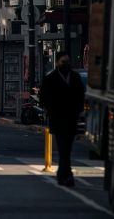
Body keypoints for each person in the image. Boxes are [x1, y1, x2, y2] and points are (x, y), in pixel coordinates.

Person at [40, 51, 86, 187]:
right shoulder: (51, 78)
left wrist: (78, 110)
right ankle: (67, 174)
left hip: (71, 118)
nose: (66, 65)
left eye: (67, 62)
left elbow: (80, 96)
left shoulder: (75, 77)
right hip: (58, 119)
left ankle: (63, 173)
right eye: (63, 62)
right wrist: (51, 109)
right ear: (57, 63)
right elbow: (43, 98)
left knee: (67, 148)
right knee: (63, 148)